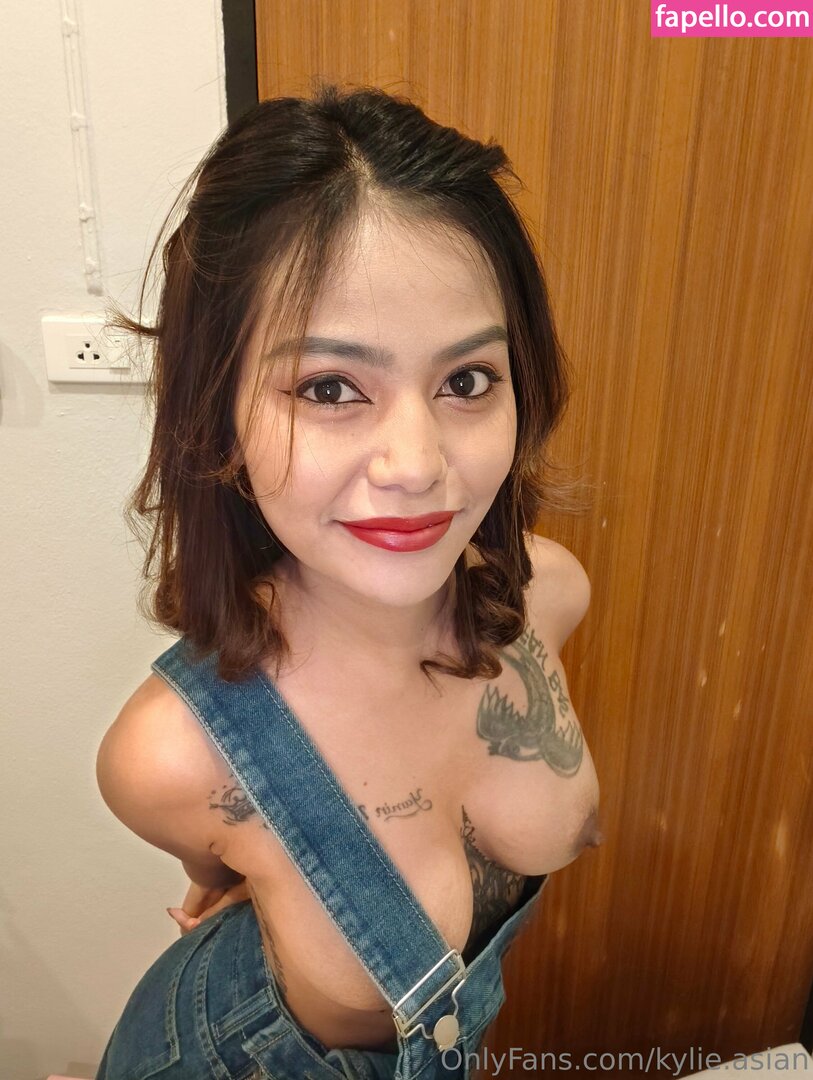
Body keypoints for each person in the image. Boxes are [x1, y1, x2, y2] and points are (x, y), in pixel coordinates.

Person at [94, 81, 602, 1080]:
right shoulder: (168, 759)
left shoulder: (550, 592)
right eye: (331, 388)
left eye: (466, 381)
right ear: (218, 415)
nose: (417, 464)